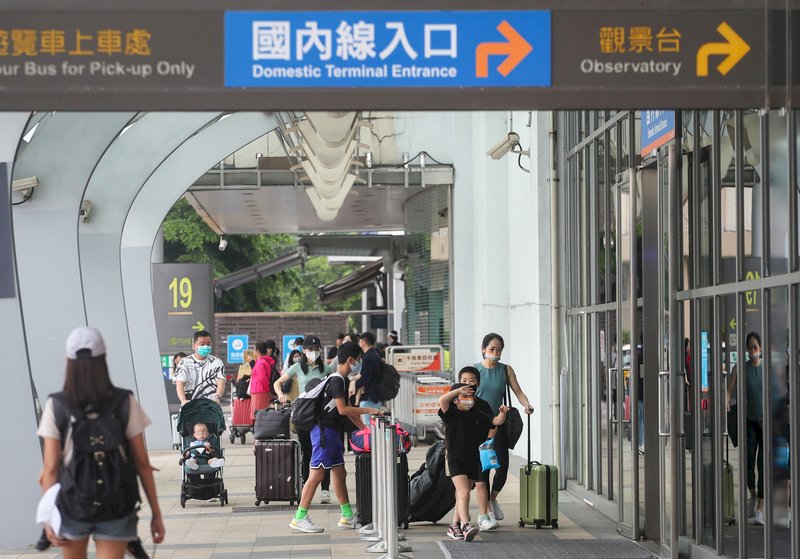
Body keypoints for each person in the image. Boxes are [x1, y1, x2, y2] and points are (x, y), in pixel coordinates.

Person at [37, 326, 164, 558]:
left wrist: (48, 520)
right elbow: (142, 464)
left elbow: (51, 468)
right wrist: (156, 514)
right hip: (117, 504)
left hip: (72, 505)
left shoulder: (57, 406)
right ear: (104, 358)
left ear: (68, 360)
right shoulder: (124, 402)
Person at [289, 342, 380, 533]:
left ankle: (347, 515)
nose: (360, 363)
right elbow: (343, 409)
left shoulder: (343, 380)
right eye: (359, 359)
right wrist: (368, 409)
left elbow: (348, 411)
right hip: (324, 432)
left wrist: (365, 428)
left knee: (340, 473)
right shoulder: (337, 380)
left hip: (332, 432)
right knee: (318, 474)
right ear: (351, 360)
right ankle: (300, 517)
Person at [439, 366, 508, 542]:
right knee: (464, 493)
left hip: (473, 456)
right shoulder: (451, 413)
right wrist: (457, 391)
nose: (468, 399)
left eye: (470, 396)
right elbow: (442, 400)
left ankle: (454, 525)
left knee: (463, 493)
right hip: (455, 456)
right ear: (455, 399)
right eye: (463, 396)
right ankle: (465, 524)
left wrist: (502, 413)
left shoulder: (478, 409)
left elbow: (495, 422)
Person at [474, 332, 533, 528]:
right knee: (483, 469)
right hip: (478, 426)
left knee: (502, 468)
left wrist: (527, 405)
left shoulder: (505, 370)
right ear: (483, 349)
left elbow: (518, 391)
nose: (495, 353)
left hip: (498, 423)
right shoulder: (474, 371)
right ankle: (486, 513)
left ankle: (492, 499)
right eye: (491, 349)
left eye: (499, 350)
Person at [274, 335, 332, 504]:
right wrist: (281, 396)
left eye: (316, 349)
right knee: (307, 452)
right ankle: (308, 487)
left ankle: (325, 489)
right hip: (303, 415)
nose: (314, 352)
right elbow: (277, 383)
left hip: (322, 415)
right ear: (304, 351)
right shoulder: (297, 367)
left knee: (323, 450)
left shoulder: (326, 369)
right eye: (310, 350)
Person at [727, 331, 766, 524]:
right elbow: (729, 390)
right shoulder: (741, 368)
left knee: (763, 463)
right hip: (750, 421)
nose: (753, 351)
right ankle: (753, 494)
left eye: (755, 347)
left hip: (764, 422)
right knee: (749, 461)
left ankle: (761, 506)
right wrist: (726, 401)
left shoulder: (766, 369)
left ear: (761, 348)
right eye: (750, 347)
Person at [174, 330, 226, 406]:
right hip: (190, 406)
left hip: (211, 407)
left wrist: (217, 396)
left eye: (208, 344)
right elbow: (179, 383)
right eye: (202, 344)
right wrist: (183, 400)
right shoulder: (184, 362)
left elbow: (221, 382)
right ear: (194, 346)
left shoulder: (216, 362)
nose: (205, 346)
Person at [355, 331, 382, 424]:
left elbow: (366, 376)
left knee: (368, 425)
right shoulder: (375, 353)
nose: (359, 343)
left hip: (369, 396)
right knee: (373, 424)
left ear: (363, 342)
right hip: (375, 394)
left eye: (360, 341)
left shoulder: (368, 356)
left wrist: (355, 385)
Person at [249, 341, 277, 420]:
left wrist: (267, 390)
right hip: (260, 392)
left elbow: (262, 379)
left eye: (254, 350)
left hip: (260, 392)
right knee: (260, 415)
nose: (254, 352)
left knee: (259, 416)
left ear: (258, 351)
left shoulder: (260, 363)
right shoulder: (264, 361)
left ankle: (259, 431)